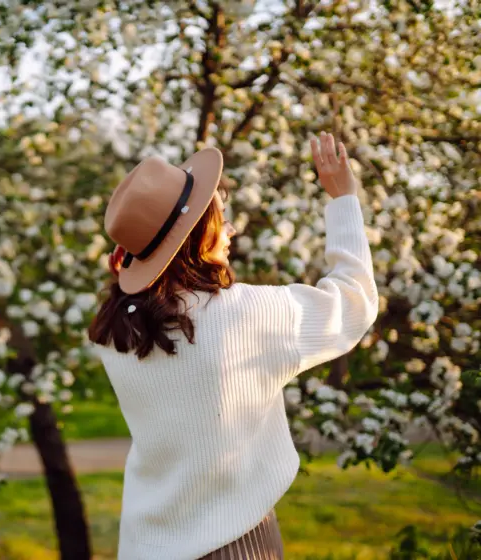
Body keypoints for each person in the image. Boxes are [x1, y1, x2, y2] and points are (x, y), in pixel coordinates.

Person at [88, 132, 379, 559]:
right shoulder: (247, 315)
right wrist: (343, 200)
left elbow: (148, 299)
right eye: (220, 220)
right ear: (197, 236)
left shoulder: (115, 335)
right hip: (237, 543)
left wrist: (135, 263)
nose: (231, 230)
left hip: (147, 545)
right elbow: (354, 304)